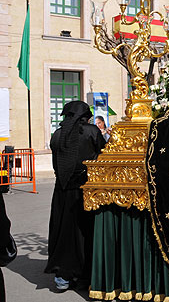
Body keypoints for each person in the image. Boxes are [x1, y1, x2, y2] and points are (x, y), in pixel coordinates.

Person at [45, 100, 105, 290]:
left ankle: (63, 275)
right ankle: (86, 275)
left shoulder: (58, 134)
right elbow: (103, 154)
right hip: (86, 190)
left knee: (63, 231)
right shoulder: (91, 131)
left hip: (62, 190)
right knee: (85, 232)